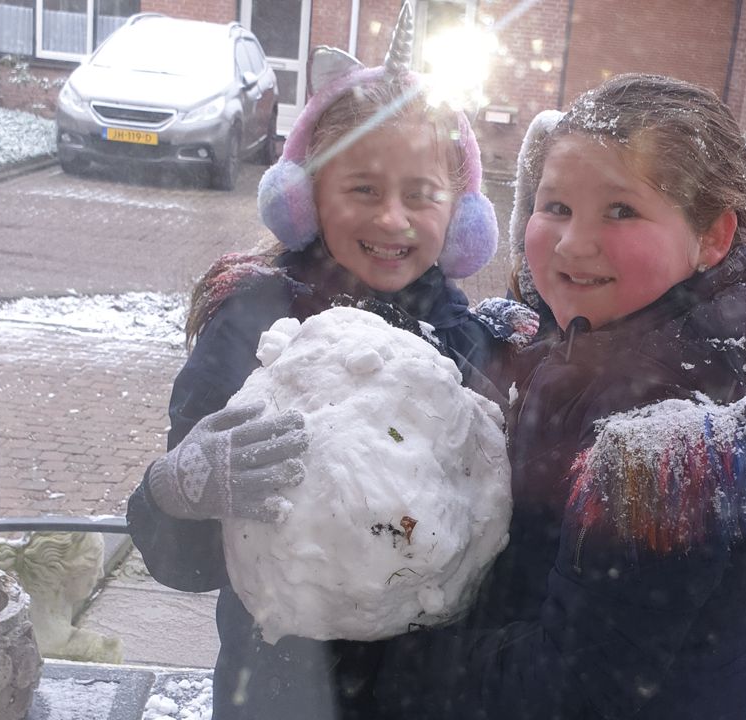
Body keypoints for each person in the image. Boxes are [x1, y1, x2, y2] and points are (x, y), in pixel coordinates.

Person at [374, 74, 746, 719]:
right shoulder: (635, 326)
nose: (571, 242)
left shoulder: (673, 437)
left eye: (621, 211)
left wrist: (380, 669)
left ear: (714, 236)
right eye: (555, 206)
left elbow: (568, 690)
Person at [125, 5, 530, 718]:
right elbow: (182, 560)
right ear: (306, 197)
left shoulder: (467, 344)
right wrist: (174, 493)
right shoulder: (255, 323)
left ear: (460, 214)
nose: (392, 219)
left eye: (421, 195)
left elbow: (488, 539)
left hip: (424, 696)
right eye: (363, 189)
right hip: (277, 691)